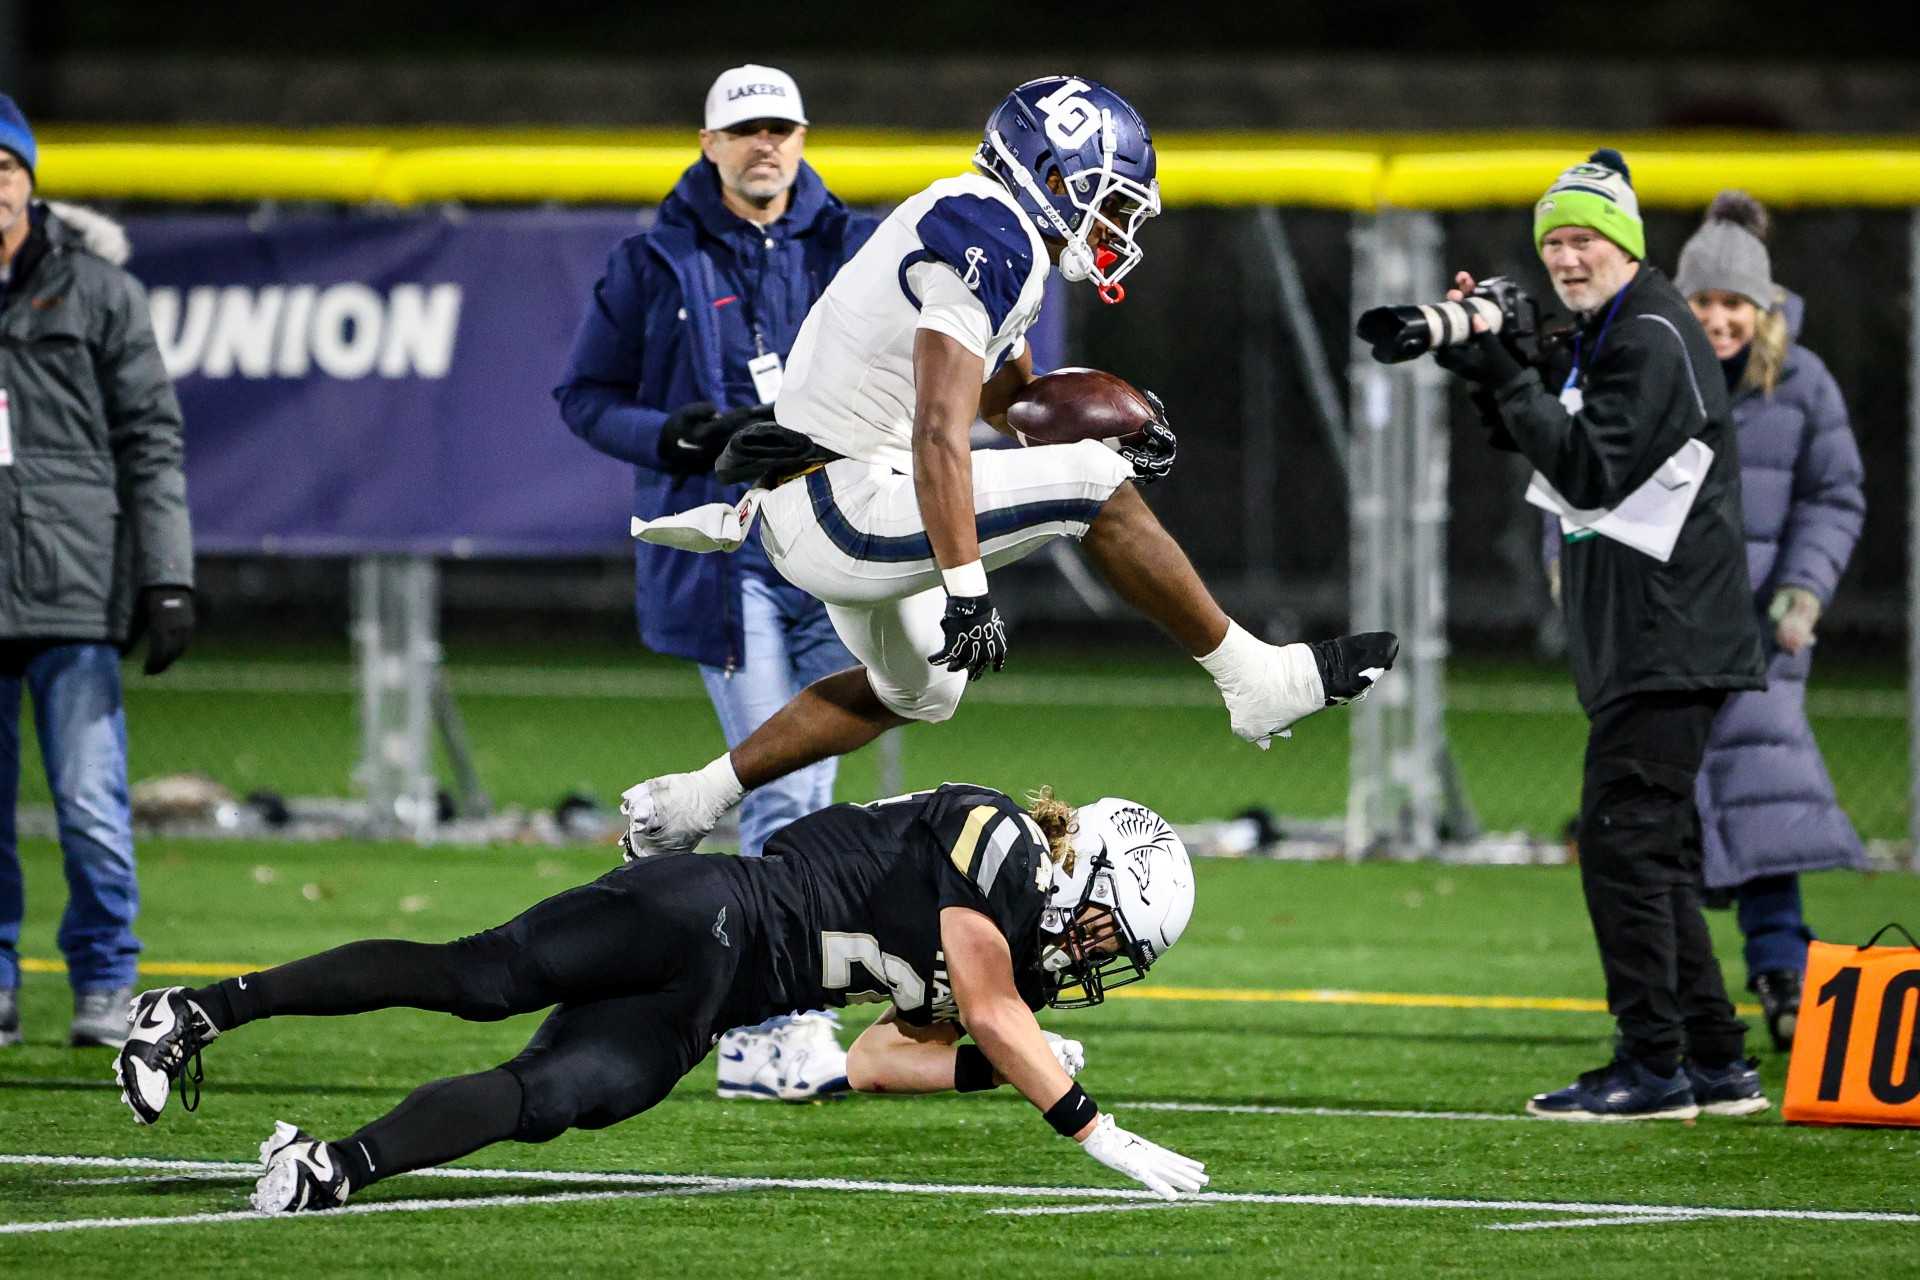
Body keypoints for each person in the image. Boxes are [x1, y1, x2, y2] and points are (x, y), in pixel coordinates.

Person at [619, 76, 1396, 859]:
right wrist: (967, 591)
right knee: (1090, 485)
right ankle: (1253, 678)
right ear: (1053, 179)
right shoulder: (990, 233)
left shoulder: (990, 224)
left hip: (829, 501)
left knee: (923, 690)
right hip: (844, 499)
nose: (1120, 226)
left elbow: (1009, 405)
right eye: (1113, 201)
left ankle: (697, 797)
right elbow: (935, 430)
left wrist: (1121, 419)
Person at [114, 784, 1208, 1213]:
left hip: (708, 1006)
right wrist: (1089, 1122)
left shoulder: (1004, 954)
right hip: (705, 908)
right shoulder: (1002, 836)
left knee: (555, 1094)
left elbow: (875, 1058)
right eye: (1110, 925)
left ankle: (329, 1168)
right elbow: (987, 996)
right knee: (479, 978)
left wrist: (990, 1061)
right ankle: (196, 1011)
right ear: (1086, 868)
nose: (1097, 953)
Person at [554, 65, 878, 1100]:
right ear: (709, 143)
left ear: (803, 135)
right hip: (729, 545)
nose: (764, 146)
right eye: (745, 131)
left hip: (833, 537)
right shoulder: (654, 255)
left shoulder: (856, 244)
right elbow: (584, 395)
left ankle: (759, 1020)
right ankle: (772, 1021)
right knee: (777, 781)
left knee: (817, 789)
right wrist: (674, 434)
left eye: (778, 127)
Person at [1434, 148, 1768, 1120]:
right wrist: (1494, 369)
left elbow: (1587, 465)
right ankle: (1714, 1059)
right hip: (1655, 635)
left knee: (1623, 846)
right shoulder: (1617, 327)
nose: (1568, 257)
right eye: (1554, 243)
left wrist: (1510, 371)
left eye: (1584, 239)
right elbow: (1546, 436)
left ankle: (1652, 1063)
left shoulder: (1649, 334)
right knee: (1649, 849)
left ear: (1624, 246)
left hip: (1669, 635)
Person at [0, 94, 194, 1051]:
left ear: (31, 180)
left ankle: (107, 976)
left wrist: (168, 577)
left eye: (3, 167)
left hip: (75, 591)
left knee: (88, 804)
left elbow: (152, 441)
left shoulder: (99, 291)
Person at [1672, 191, 1867, 1050]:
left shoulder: (1804, 381)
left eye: (1733, 303)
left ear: (1764, 306)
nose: (1718, 319)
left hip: (1759, 635)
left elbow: (1835, 495)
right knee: (1658, 817)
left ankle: (1785, 975)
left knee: (1762, 801)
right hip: (1662, 629)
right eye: (1703, 301)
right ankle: (1681, 993)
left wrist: (1803, 591)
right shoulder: (1649, 367)